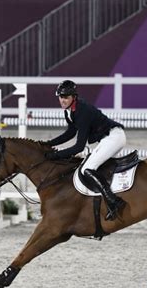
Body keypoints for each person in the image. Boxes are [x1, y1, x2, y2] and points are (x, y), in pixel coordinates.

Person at [44, 80, 127, 220]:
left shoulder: (82, 111)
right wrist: (48, 144)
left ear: (73, 97)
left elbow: (79, 147)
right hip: (108, 138)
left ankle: (114, 202)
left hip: (114, 138)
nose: (63, 100)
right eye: (61, 97)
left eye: (66, 97)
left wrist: (56, 155)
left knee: (87, 168)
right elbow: (70, 133)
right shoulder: (70, 110)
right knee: (90, 166)